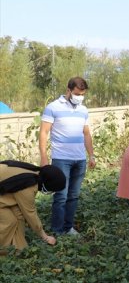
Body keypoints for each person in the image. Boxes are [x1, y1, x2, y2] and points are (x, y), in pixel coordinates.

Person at [39, 76, 96, 236]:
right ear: (68, 90)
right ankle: (57, 230)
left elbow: (86, 133)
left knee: (74, 196)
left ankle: (68, 227)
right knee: (61, 196)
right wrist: (44, 157)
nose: (79, 97)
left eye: (82, 94)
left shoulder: (83, 110)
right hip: (61, 159)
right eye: (77, 94)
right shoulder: (53, 107)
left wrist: (91, 155)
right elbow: (43, 132)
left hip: (80, 159)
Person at [1, 161, 65, 250]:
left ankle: (19, 248)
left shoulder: (35, 172)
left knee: (19, 216)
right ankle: (3, 251)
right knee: (9, 221)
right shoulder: (28, 185)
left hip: (4, 192)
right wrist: (45, 236)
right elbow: (30, 214)